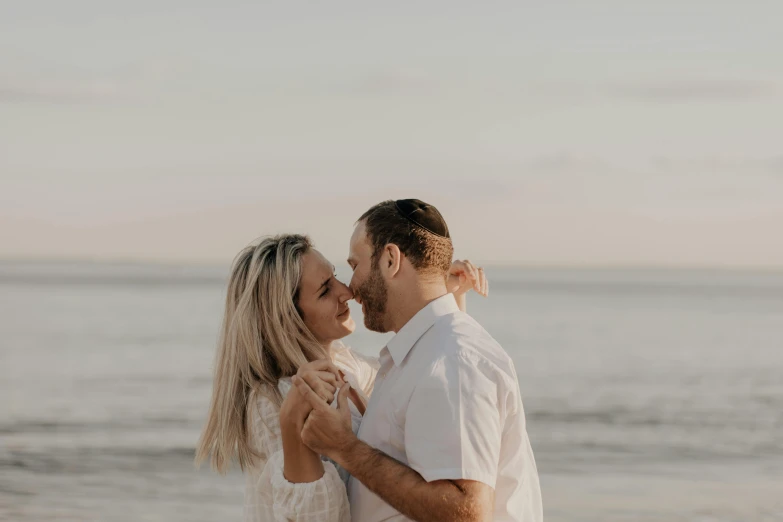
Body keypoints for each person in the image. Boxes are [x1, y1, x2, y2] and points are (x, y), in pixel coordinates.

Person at [194, 231, 487, 521]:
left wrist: (443, 298)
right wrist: (291, 424)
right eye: (325, 290)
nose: (346, 291)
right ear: (287, 320)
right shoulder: (271, 403)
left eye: (334, 276)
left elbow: (421, 381)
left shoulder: (346, 366)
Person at [292, 199, 543, 522]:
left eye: (355, 266)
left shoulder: (452, 359)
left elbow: (465, 512)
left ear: (390, 260)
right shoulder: (425, 354)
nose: (352, 290)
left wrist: (345, 448)